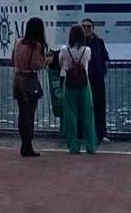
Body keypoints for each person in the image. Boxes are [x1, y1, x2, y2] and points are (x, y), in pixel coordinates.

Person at [11, 17, 52, 157]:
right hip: (30, 80)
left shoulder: (18, 42)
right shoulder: (36, 46)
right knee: (29, 114)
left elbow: (12, 59)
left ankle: (24, 144)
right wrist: (46, 61)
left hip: (17, 79)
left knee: (22, 114)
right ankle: (27, 146)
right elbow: (36, 64)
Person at [59, 24, 97, 154]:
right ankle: (91, 145)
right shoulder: (87, 50)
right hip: (84, 84)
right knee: (88, 115)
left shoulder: (64, 49)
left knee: (70, 115)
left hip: (69, 84)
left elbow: (61, 63)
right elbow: (88, 61)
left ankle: (73, 146)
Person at [82, 18, 111, 143]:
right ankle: (85, 133)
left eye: (89, 26)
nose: (87, 28)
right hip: (83, 80)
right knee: (85, 107)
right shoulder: (78, 43)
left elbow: (105, 57)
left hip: (98, 79)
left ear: (93, 28)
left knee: (100, 106)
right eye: (84, 26)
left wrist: (104, 71)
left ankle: (101, 133)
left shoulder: (99, 42)